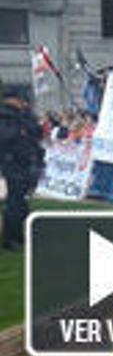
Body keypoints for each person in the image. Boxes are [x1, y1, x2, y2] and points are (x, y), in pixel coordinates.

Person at [0, 85, 44, 251]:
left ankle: (19, 235)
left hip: (25, 163)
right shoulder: (5, 116)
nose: (22, 102)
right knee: (14, 204)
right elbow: (7, 137)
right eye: (19, 99)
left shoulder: (23, 116)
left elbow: (36, 132)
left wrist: (25, 123)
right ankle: (11, 239)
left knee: (21, 203)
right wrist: (22, 127)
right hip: (11, 164)